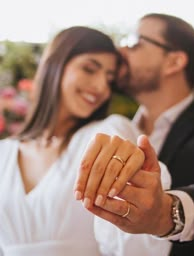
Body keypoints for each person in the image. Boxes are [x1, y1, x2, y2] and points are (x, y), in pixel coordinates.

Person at [74, 13, 194, 255]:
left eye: (135, 42)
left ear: (174, 62)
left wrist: (165, 213)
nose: (121, 50)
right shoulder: (111, 131)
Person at [0, 26, 164, 255]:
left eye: (109, 79)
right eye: (89, 69)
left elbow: (138, 240)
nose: (101, 88)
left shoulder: (108, 135)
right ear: (55, 65)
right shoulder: (4, 153)